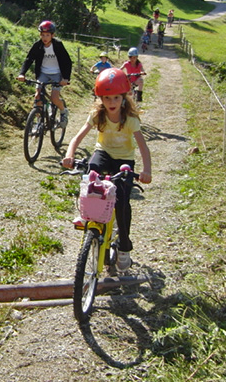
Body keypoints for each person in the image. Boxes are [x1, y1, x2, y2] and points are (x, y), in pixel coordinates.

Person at [62, 68, 152, 272]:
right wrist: (69, 155)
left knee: (121, 202)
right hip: (103, 153)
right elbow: (78, 137)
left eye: (116, 98)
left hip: (124, 159)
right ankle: (87, 217)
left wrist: (146, 171)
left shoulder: (130, 120)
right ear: (101, 99)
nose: (112, 102)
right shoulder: (97, 115)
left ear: (124, 98)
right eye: (107, 98)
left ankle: (124, 247)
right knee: (91, 170)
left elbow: (143, 148)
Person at [17, 20, 73, 128]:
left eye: (47, 35)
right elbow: (29, 59)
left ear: (53, 35)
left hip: (57, 73)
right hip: (43, 73)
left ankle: (63, 111)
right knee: (37, 97)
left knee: (54, 98)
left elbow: (67, 62)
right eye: (43, 35)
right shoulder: (37, 46)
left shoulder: (58, 45)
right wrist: (22, 74)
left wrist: (66, 78)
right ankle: (38, 122)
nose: (45, 38)